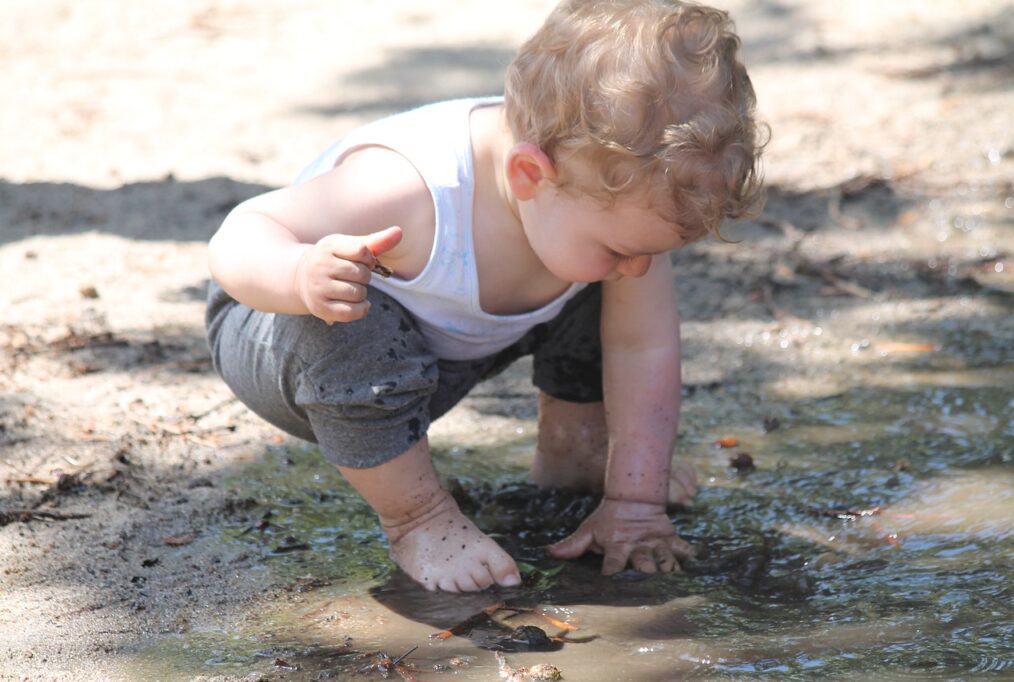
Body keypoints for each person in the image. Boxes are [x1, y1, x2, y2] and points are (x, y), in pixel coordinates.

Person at [206, 0, 766, 593]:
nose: (640, 265)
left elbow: (642, 349)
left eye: (651, 249)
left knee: (609, 288)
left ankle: (576, 450)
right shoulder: (410, 190)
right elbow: (240, 234)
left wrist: (635, 499)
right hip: (284, 338)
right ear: (529, 175)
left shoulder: (599, 208)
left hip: (444, 349)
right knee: (351, 320)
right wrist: (298, 276)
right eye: (622, 244)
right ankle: (419, 518)